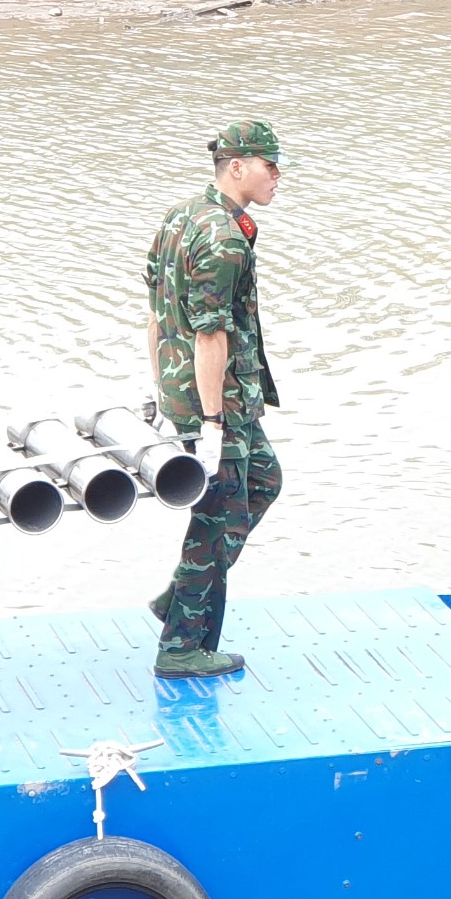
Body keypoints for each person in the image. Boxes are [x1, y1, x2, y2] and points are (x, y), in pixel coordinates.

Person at [144, 120, 284, 678]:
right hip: (217, 404)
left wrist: (161, 390)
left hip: (203, 396)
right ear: (237, 167)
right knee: (216, 517)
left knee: (264, 481)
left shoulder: (182, 217)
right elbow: (209, 335)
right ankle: (181, 646)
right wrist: (208, 423)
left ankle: (177, 594)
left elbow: (155, 314)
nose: (278, 176)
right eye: (269, 166)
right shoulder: (222, 238)